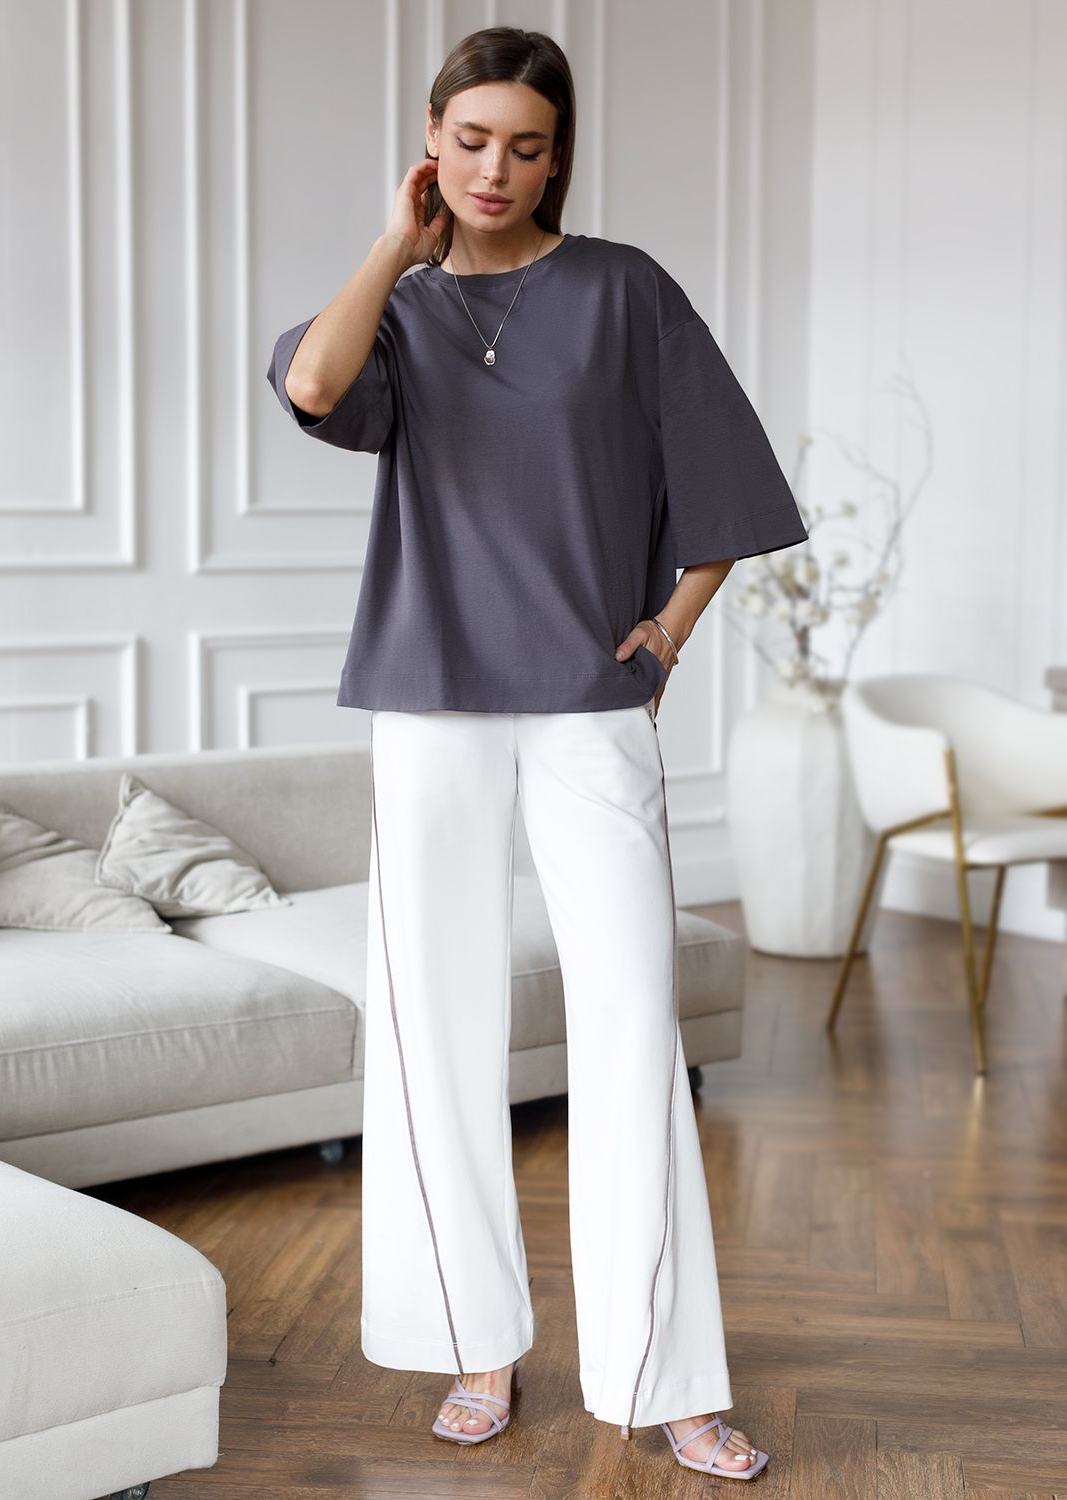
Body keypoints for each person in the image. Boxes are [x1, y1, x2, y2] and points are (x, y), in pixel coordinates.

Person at [266, 25, 807, 1481]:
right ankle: (474, 1342)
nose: (494, 168)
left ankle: (666, 1373)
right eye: (469, 141)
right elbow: (314, 386)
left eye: (524, 144)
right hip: (427, 695)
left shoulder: (626, 291)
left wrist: (669, 634)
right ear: (431, 142)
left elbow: (727, 483)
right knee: (430, 1021)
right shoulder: (396, 309)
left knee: (632, 1017)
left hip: (585, 693)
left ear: (559, 156)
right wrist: (398, 245)